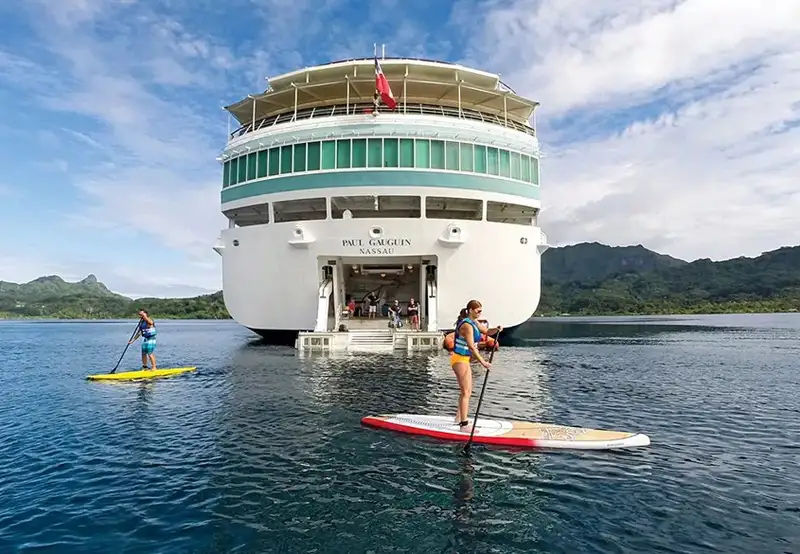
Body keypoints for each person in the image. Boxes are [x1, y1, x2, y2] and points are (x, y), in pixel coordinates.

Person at [450, 300, 502, 431]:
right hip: (459, 360)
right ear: (471, 310)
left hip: (464, 359)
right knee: (466, 391)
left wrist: (496, 329)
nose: (480, 313)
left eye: (481, 311)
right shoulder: (467, 326)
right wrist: (483, 362)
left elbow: (487, 331)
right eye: (478, 311)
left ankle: (458, 418)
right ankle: (464, 425)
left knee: (465, 391)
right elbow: (472, 348)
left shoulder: (474, 322)